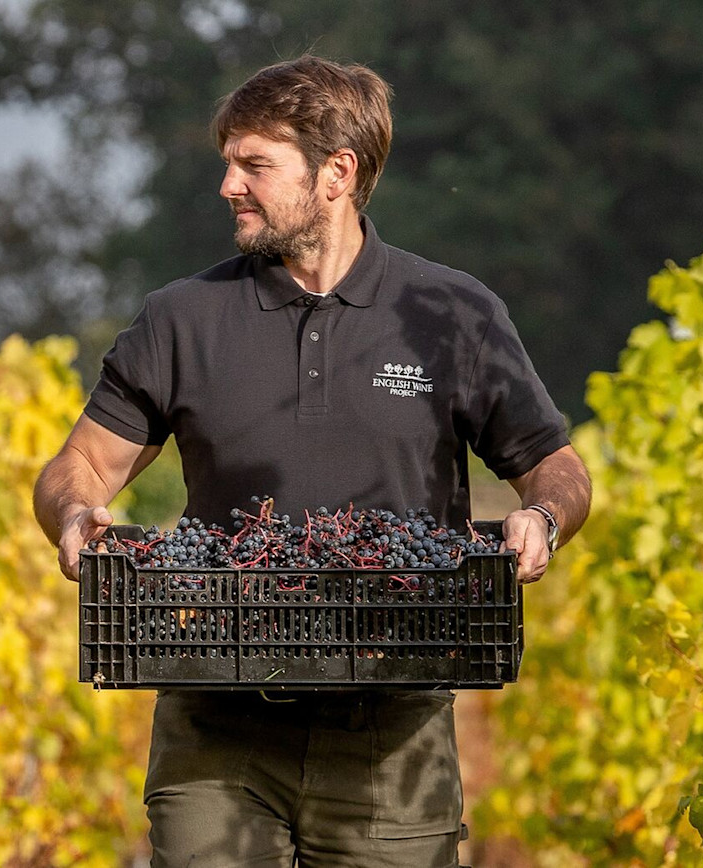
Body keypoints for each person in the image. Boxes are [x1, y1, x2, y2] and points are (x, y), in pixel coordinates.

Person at [34, 55, 592, 868]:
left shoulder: (448, 314)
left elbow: (556, 468)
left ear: (337, 173)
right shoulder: (184, 318)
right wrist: (75, 513)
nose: (229, 185)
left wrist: (543, 518)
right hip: (215, 720)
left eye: (255, 165)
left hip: (390, 733)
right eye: (228, 163)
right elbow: (78, 464)